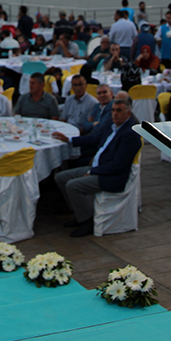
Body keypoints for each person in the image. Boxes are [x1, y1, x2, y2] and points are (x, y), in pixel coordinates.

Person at [54, 98, 141, 236]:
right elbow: (94, 139)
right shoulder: (113, 126)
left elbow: (117, 166)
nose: (115, 114)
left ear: (128, 114)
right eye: (113, 110)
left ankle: (87, 221)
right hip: (98, 167)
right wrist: (69, 139)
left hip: (111, 177)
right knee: (61, 177)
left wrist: (92, 171)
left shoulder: (130, 135)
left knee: (73, 186)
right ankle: (80, 214)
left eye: (119, 110)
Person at [53, 86, 116, 160]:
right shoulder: (97, 106)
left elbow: (99, 128)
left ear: (111, 94)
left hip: (98, 144)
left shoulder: (113, 109)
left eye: (105, 92)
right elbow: (85, 125)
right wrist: (93, 124)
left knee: (72, 156)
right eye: (99, 93)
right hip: (91, 139)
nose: (102, 95)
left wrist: (92, 124)